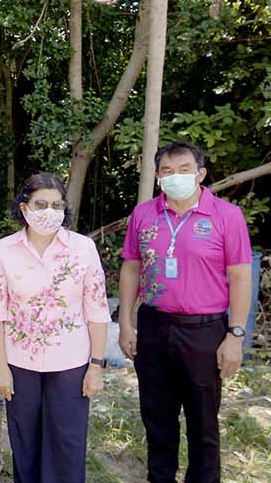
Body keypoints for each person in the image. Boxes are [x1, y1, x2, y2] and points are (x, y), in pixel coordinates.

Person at [118, 142, 252, 483]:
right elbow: (131, 268)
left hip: (204, 331)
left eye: (183, 169)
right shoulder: (143, 214)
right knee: (157, 418)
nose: (174, 176)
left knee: (203, 422)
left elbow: (240, 276)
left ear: (200, 174)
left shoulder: (226, 215)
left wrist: (235, 335)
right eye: (166, 170)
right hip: (154, 326)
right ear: (157, 176)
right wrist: (126, 323)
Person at [0, 173, 111, 483]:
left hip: (71, 364)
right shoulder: (5, 249)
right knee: (25, 444)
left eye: (57, 205)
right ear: (24, 207)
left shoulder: (83, 248)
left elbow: (97, 310)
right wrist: (0, 368)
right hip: (19, 364)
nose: (49, 212)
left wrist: (96, 366)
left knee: (67, 445)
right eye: (41, 204)